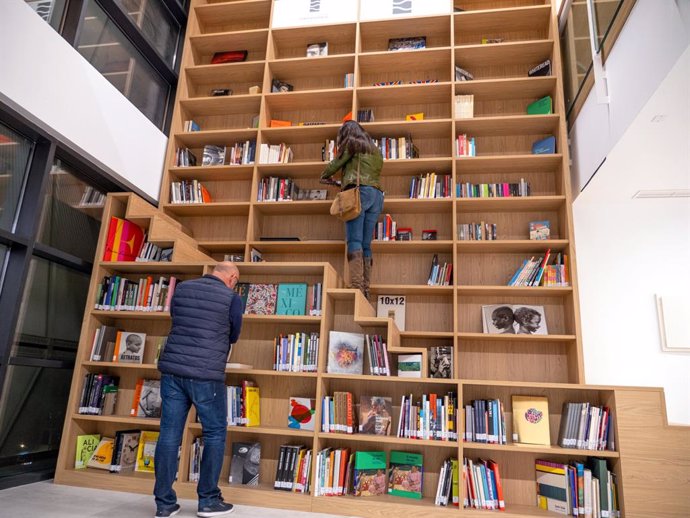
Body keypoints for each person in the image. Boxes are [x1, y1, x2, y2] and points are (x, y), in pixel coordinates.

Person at [154, 262, 243, 518]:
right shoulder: (231, 298)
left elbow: (176, 320)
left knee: (169, 433)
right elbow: (234, 334)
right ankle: (208, 501)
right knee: (214, 433)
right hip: (206, 374)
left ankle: (164, 504)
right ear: (232, 278)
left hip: (172, 371)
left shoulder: (182, 289)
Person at [321, 120, 384, 299]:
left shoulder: (352, 143)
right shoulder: (376, 150)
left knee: (354, 240)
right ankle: (365, 288)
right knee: (366, 243)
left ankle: (356, 287)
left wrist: (324, 175)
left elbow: (336, 163)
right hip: (377, 196)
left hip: (359, 194)